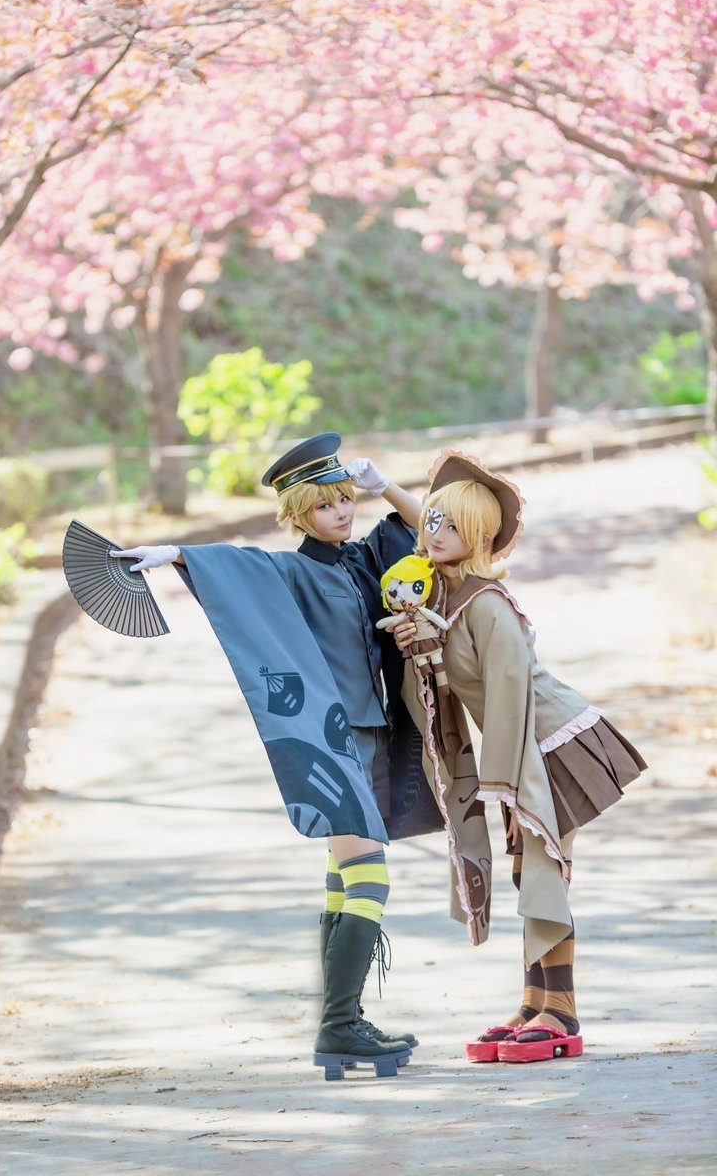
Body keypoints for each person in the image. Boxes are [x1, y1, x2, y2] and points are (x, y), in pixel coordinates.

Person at [111, 434, 437, 1080]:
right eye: (324, 506)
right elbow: (235, 565)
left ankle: (343, 1022)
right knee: (366, 871)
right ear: (295, 515)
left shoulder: (363, 560)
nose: (341, 513)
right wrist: (173, 554)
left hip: (370, 732)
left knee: (346, 876)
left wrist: (386, 484)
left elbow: (422, 530)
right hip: (329, 736)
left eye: (345, 500)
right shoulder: (292, 570)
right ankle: (340, 1023)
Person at [393, 450, 646, 1064]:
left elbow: (509, 692)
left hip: (554, 743)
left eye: (449, 527)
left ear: (478, 538)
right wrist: (418, 649)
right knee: (527, 871)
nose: (434, 535)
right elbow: (442, 694)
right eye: (430, 523)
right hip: (523, 748)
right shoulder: (444, 600)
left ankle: (562, 1012)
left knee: (542, 870)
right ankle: (537, 1002)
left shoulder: (486, 604)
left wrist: (500, 783)